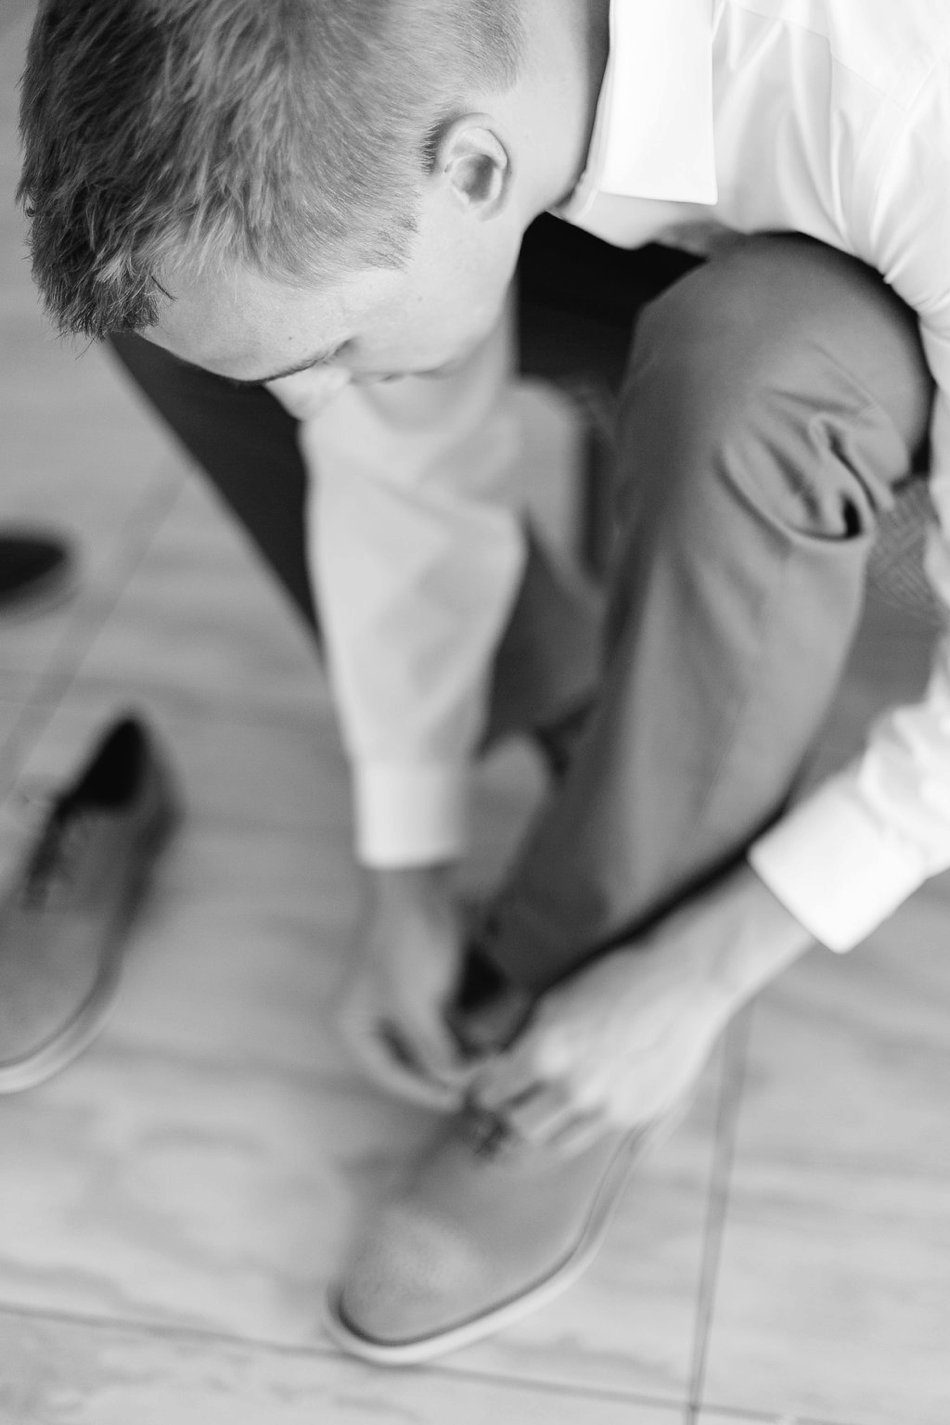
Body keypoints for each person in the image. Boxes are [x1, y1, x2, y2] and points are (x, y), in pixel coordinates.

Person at [15, 0, 950, 1362]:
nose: (312, 405)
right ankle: (647, 721)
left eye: (328, 348)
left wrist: (706, 963)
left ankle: (587, 1002)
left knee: (756, 368)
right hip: (644, 173)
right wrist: (407, 854)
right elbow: (394, 453)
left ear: (471, 170)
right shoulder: (442, 103)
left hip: (863, 258)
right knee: (192, 302)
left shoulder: (901, 102)